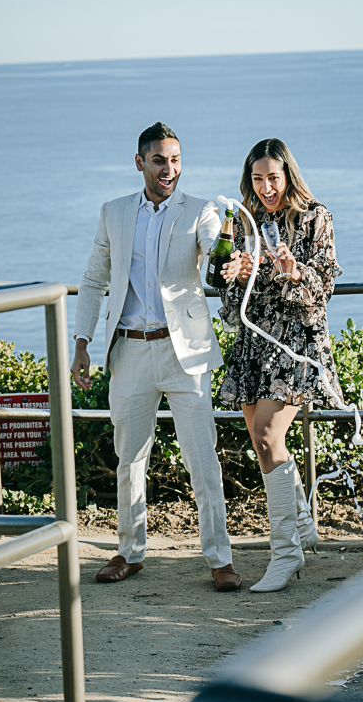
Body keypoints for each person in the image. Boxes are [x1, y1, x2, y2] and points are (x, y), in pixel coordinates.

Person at [71, 122, 241, 591]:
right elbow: (93, 280)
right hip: (128, 350)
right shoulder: (114, 213)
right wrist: (82, 343)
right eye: (161, 160)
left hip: (182, 350)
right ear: (140, 162)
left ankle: (220, 559)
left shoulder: (203, 210)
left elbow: (213, 248)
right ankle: (129, 551)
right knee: (130, 459)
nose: (170, 169)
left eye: (177, 160)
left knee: (202, 459)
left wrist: (227, 256)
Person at [217, 138, 346, 593]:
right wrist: (233, 276)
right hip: (256, 342)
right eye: (257, 178)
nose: (266, 187)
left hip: (295, 341)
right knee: (260, 439)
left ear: (288, 174)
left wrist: (295, 272)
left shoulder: (315, 217)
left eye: (273, 177)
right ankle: (304, 527)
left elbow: (325, 287)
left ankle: (285, 554)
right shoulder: (244, 221)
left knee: (269, 435)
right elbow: (233, 307)